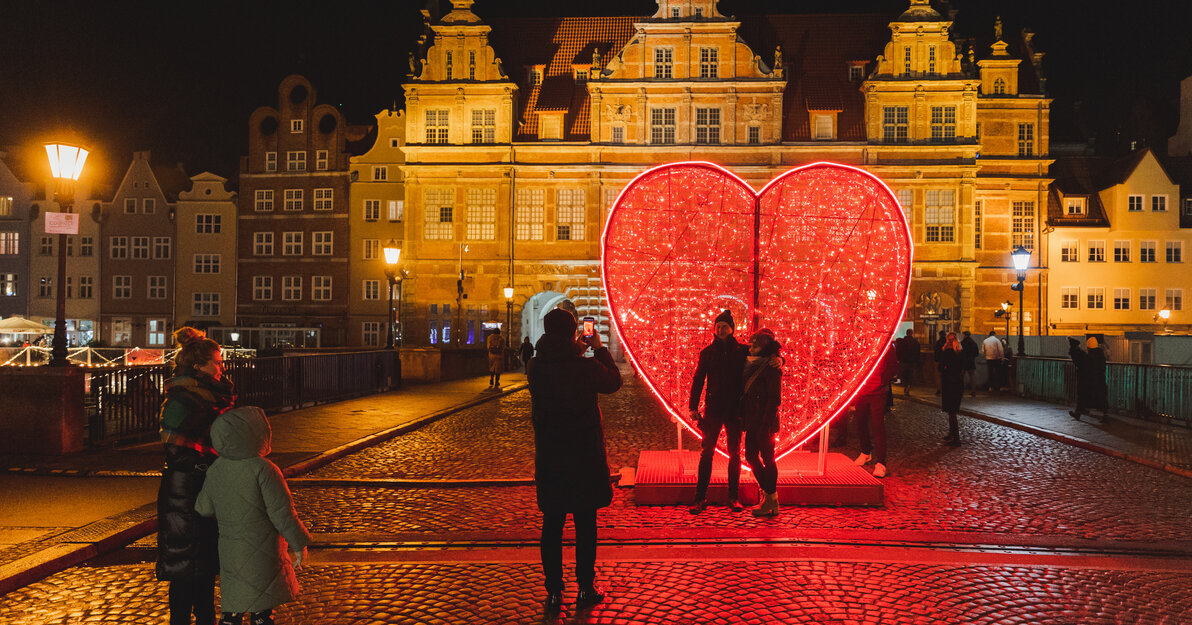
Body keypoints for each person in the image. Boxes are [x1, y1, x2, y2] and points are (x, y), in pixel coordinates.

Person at [527, 308, 622, 614]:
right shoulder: (585, 367)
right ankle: (585, 586)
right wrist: (598, 348)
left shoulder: (535, 366)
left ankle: (554, 591)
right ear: (572, 333)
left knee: (552, 526)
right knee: (585, 525)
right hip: (583, 457)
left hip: (552, 457)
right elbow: (614, 381)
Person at [196, 407, 311, 625]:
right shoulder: (264, 469)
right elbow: (282, 513)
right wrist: (299, 544)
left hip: (230, 549)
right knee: (261, 608)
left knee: (233, 604)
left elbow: (204, 507)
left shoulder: (217, 469)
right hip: (263, 549)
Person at [157, 327, 236, 625]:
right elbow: (175, 447)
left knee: (203, 566)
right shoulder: (183, 401)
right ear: (200, 366)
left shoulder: (208, 397)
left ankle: (205, 618)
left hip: (201, 485)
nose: (222, 367)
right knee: (184, 567)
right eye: (217, 362)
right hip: (185, 488)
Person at [687, 309, 748, 514]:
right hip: (713, 410)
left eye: (724, 326)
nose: (721, 329)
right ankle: (700, 497)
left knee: (735, 453)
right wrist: (693, 407)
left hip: (734, 410)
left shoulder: (742, 351)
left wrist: (779, 360)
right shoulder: (707, 353)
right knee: (707, 453)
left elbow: (763, 360)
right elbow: (698, 380)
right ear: (714, 329)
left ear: (732, 329)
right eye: (718, 326)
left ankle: (733, 496)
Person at [740, 329, 783, 517]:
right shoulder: (748, 361)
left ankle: (770, 500)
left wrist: (765, 425)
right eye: (750, 343)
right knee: (750, 457)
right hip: (751, 419)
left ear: (764, 346)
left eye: (755, 344)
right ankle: (771, 496)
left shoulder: (771, 367)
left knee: (767, 458)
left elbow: (774, 398)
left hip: (764, 422)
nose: (751, 347)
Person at [852, 342, 900, 478]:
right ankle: (865, 452)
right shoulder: (861, 342)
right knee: (860, 422)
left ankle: (881, 462)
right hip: (861, 390)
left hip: (877, 391)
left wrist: (881, 380)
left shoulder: (886, 343)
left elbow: (893, 365)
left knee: (877, 426)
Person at [1070, 336, 1108, 421]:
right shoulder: (1101, 355)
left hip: (1089, 381)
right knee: (1101, 398)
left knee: (1083, 396)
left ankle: (1078, 413)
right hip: (1100, 380)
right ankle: (1105, 415)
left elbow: (1084, 366)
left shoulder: (1089, 356)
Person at [939, 332, 966, 445]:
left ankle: (956, 438)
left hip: (949, 383)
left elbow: (941, 367)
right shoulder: (959, 352)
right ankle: (952, 434)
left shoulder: (948, 352)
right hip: (958, 383)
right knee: (953, 411)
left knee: (951, 411)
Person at [894, 329, 920, 395]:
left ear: (906, 333)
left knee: (904, 374)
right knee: (910, 374)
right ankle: (908, 385)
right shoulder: (915, 342)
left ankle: (905, 386)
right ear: (912, 333)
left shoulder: (902, 342)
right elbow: (917, 352)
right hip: (912, 362)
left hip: (903, 361)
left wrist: (898, 358)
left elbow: (898, 351)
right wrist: (916, 360)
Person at [960, 331, 979, 397]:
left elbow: (960, 352)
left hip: (963, 362)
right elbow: (977, 353)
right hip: (971, 361)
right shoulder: (973, 343)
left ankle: (961, 391)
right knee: (972, 377)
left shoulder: (962, 343)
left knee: (962, 376)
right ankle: (973, 391)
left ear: (965, 335)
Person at [932, 330, 947, 395]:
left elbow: (935, 351)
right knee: (946, 376)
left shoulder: (938, 342)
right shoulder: (948, 342)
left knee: (938, 376)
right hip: (947, 361)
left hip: (939, 361)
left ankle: (939, 389)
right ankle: (945, 390)